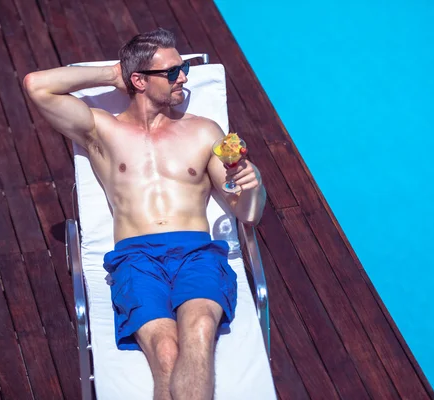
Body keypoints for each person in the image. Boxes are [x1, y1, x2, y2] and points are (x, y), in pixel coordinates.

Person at [24, 28, 266, 400]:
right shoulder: (102, 129)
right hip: (136, 258)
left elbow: (244, 212)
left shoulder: (203, 132)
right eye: (171, 72)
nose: (183, 76)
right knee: (165, 352)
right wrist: (110, 74)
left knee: (200, 327)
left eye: (182, 67)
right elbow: (36, 85)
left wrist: (253, 186)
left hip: (197, 252)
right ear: (137, 80)